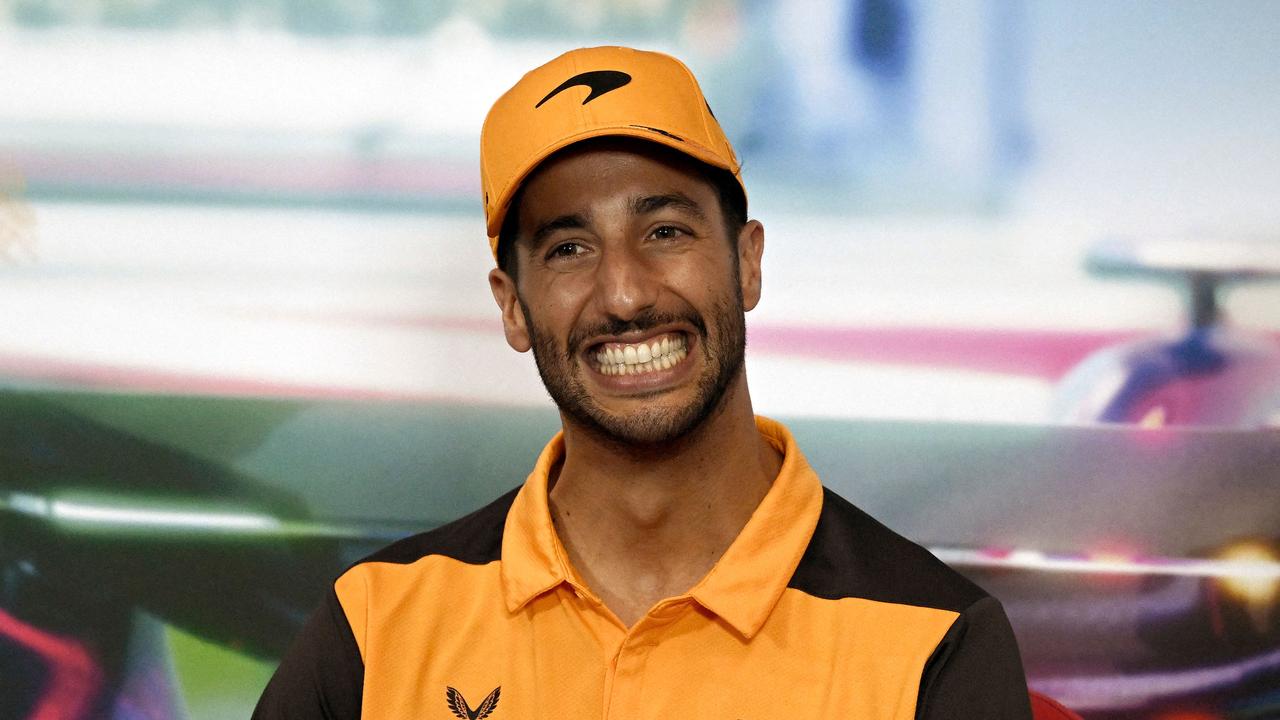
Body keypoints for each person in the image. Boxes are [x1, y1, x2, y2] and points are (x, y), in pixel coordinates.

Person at [254, 45, 1032, 720]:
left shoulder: (933, 637)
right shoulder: (380, 621)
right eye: (569, 249)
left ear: (748, 260)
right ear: (512, 306)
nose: (625, 295)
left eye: (666, 231)